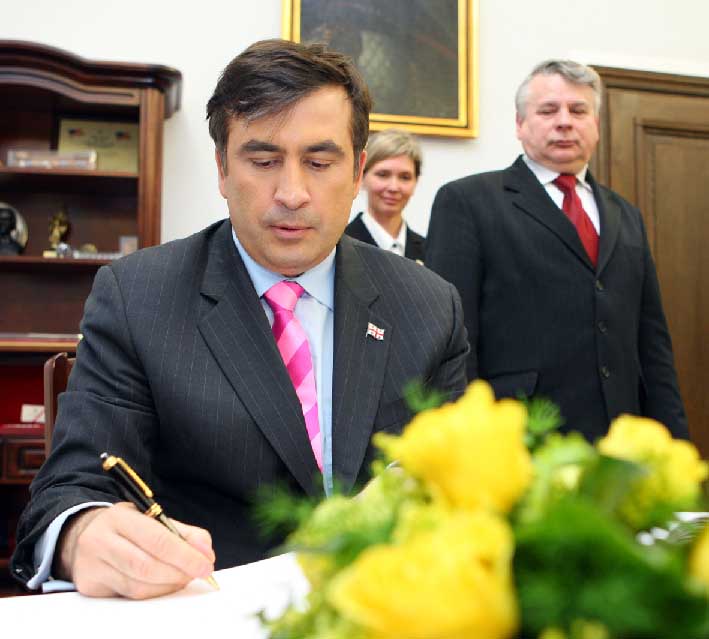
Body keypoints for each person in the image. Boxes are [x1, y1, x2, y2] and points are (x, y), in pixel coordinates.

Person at [12, 39, 468, 600]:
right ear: (223, 170)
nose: (292, 194)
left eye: (319, 163)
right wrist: (84, 533)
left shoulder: (429, 305)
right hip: (209, 608)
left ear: (357, 172)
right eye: (263, 160)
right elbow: (70, 490)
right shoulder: (139, 297)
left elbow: (461, 482)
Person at [425, 59, 687, 442]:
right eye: (548, 110)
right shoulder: (467, 202)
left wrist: (673, 443)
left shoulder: (625, 214)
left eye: (578, 110)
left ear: (596, 124)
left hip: (619, 445)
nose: (564, 122)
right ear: (520, 124)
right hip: (520, 439)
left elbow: (653, 344)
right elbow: (451, 338)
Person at [345, 128, 425, 261]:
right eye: (383, 175)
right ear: (361, 177)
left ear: (416, 181)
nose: (393, 187)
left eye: (405, 177)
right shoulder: (338, 246)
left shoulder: (428, 250)